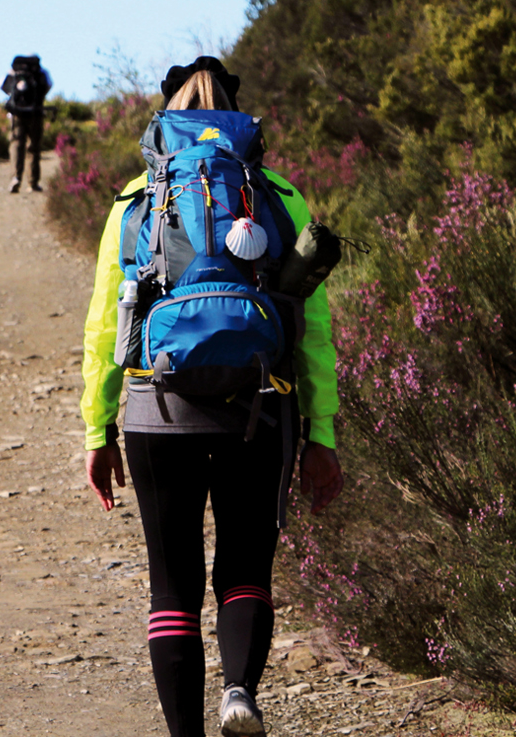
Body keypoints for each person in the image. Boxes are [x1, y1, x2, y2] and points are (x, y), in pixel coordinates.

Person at [78, 56, 344, 737]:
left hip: (154, 406)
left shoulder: (135, 196)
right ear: (234, 110)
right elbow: (311, 327)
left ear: (166, 113)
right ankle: (239, 694)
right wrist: (322, 435)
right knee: (245, 567)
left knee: (171, 584)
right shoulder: (279, 192)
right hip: (261, 400)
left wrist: (97, 430)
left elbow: (107, 323)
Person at [0, 54, 51, 193]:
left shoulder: (13, 72)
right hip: (36, 112)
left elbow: (2, 86)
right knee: (33, 147)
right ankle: (33, 183)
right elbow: (48, 86)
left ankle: (16, 178)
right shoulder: (40, 72)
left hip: (17, 114)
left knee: (16, 144)